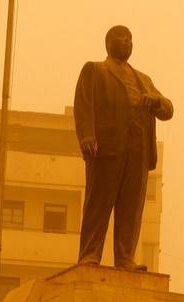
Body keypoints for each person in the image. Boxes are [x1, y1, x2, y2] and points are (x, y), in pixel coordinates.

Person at [73, 25, 173, 270]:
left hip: (137, 151)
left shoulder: (144, 80)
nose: (127, 43)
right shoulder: (95, 70)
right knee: (98, 203)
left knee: (131, 208)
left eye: (130, 40)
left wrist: (157, 100)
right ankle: (89, 254)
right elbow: (83, 105)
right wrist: (87, 135)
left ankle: (125, 257)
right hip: (106, 148)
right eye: (122, 39)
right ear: (109, 43)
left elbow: (168, 110)